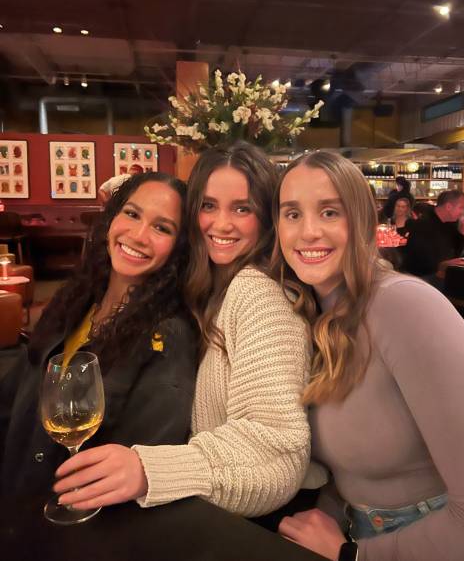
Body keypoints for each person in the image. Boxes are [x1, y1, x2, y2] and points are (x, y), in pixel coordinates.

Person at [52, 142, 328, 518]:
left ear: (267, 218)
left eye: (242, 209)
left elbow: (278, 455)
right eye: (208, 206)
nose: (221, 224)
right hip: (214, 509)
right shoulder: (210, 282)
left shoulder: (259, 293)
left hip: (248, 524)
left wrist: (149, 470)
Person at [272, 151, 464, 561]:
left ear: (362, 221)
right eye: (292, 214)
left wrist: (352, 554)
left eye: (329, 212)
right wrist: (330, 514)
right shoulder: (313, 314)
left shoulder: (405, 305)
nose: (308, 231)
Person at [1, 172, 197, 496]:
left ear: (179, 248)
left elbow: (141, 458)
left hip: (68, 510)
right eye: (132, 214)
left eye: (162, 228)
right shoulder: (75, 300)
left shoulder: (168, 338)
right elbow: (12, 397)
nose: (138, 235)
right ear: (112, 217)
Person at [404, 189, 464, 287]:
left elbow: (456, 253)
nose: (463, 212)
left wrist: (463, 232)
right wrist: (444, 265)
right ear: (448, 206)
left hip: (441, 276)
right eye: (461, 208)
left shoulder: (450, 223)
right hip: (420, 280)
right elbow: (422, 263)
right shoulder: (423, 224)